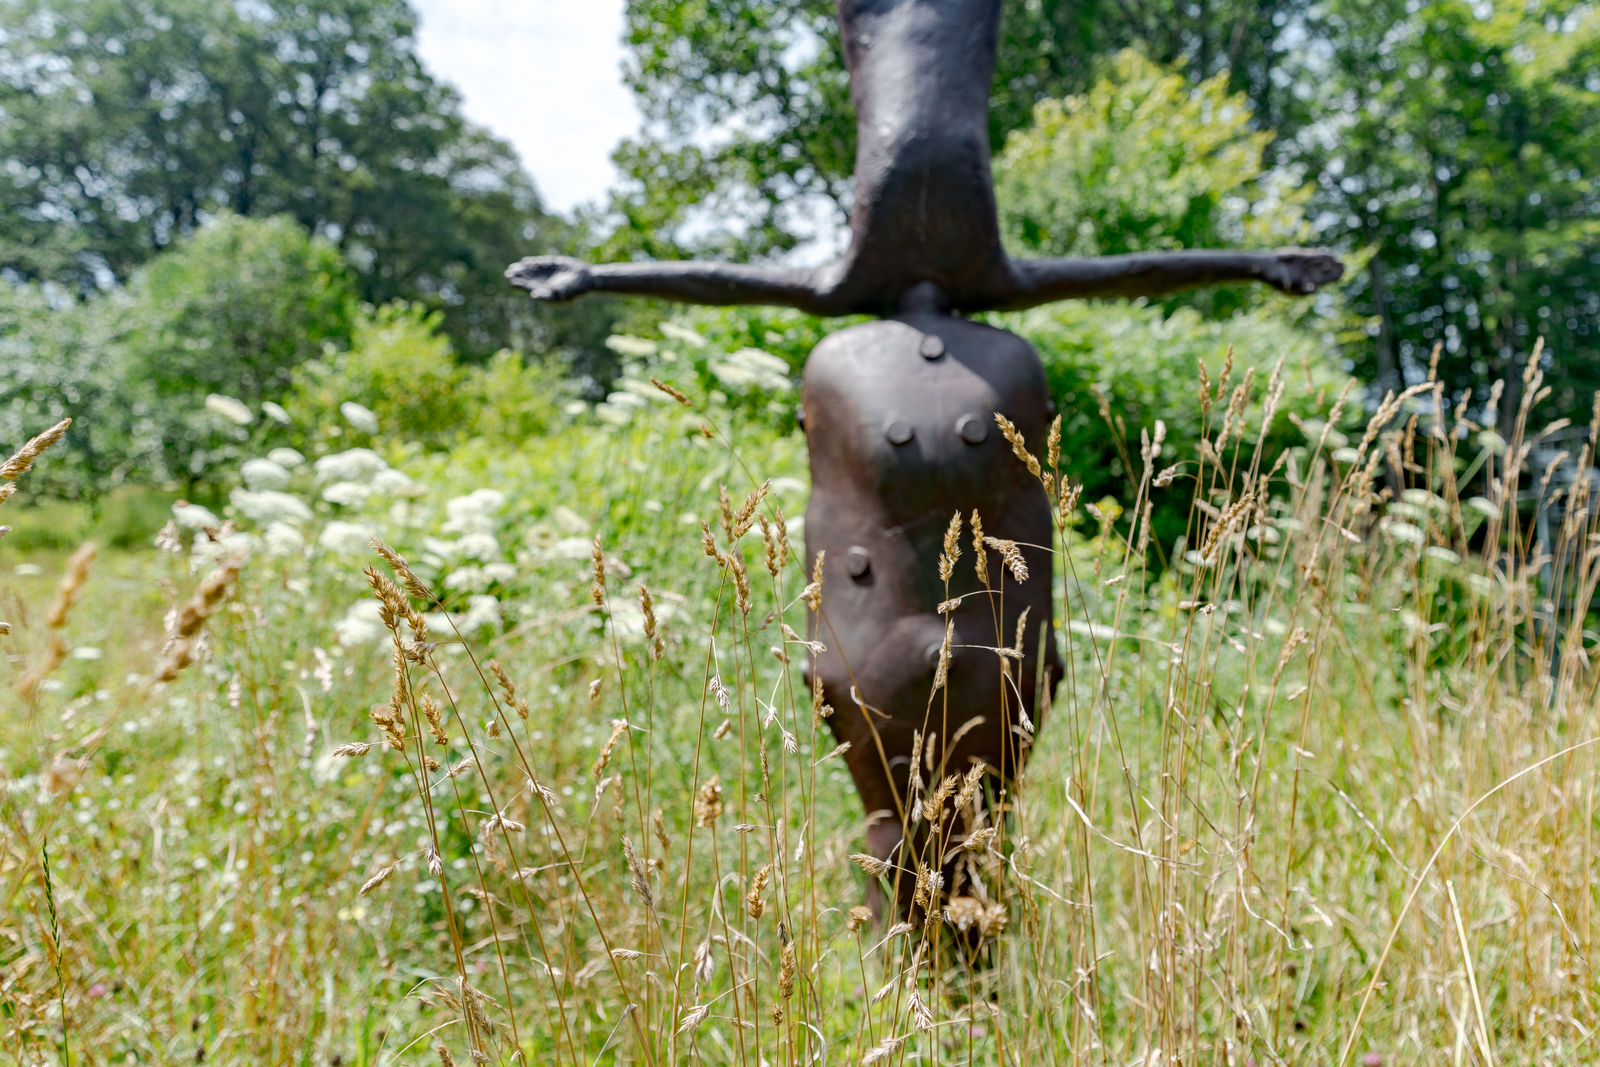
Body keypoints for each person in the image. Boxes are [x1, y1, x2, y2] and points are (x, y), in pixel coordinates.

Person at [507, 0, 1342, 316]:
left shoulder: (850, 282)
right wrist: (1254, 263)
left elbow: (721, 281)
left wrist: (602, 273)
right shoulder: (991, 277)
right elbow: (1130, 272)